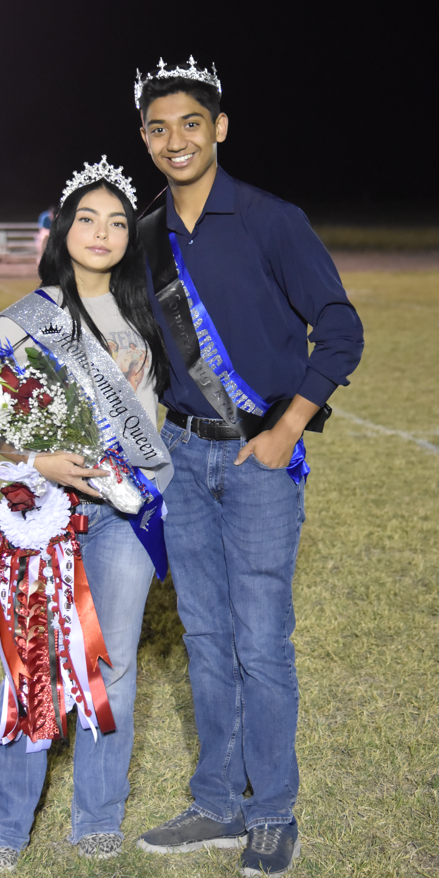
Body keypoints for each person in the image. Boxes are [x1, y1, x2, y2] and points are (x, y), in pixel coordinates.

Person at [133, 58, 364, 876]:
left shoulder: (272, 220)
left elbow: (340, 330)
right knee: (204, 637)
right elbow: (140, 352)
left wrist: (287, 427)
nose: (176, 141)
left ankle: (272, 812)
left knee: (262, 645)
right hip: (185, 460)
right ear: (146, 140)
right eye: (158, 129)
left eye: (191, 123)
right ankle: (217, 803)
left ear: (220, 128)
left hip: (260, 460)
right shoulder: (145, 236)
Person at [0, 159, 170, 871]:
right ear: (62, 227)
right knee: (33, 664)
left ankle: (98, 816)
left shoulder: (151, 313)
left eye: (118, 221)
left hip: (125, 518)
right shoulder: (27, 316)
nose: (103, 231)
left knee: (109, 667)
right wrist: (39, 462)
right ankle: (0, 821)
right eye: (88, 217)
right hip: (50, 515)